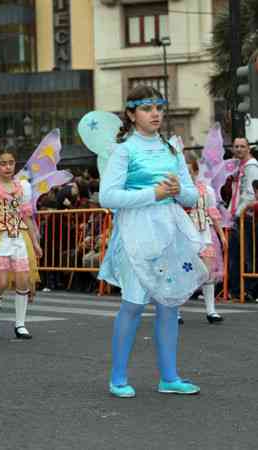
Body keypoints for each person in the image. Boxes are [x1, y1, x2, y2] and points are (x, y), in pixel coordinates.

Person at [98, 85, 207, 398]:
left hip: (170, 231)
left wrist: (177, 191)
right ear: (132, 115)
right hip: (135, 231)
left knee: (169, 304)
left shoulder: (171, 148)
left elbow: (190, 195)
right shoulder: (124, 150)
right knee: (133, 303)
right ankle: (118, 379)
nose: (155, 114)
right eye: (147, 108)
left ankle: (169, 378)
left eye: (159, 107)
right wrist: (153, 194)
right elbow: (108, 196)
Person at [0, 148, 42, 339]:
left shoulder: (23, 187)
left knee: (23, 281)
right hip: (0, 239)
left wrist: (35, 242)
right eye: (3, 163)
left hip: (20, 238)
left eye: (11, 163)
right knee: (2, 282)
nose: (8, 167)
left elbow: (27, 217)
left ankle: (20, 324)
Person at [185, 157, 226, 323]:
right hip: (183, 237)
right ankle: (175, 311)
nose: (186, 174)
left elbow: (213, 212)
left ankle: (211, 311)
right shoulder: (176, 191)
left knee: (208, 273)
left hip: (203, 235)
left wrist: (221, 235)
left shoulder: (206, 190)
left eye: (189, 171)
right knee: (182, 273)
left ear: (196, 172)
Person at [228, 137, 258, 301]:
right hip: (237, 217)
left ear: (248, 148)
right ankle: (238, 290)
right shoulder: (239, 166)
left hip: (245, 218)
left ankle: (248, 290)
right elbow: (236, 194)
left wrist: (237, 214)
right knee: (236, 255)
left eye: (242, 146)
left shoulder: (251, 166)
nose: (239, 149)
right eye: (236, 146)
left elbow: (250, 194)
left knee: (246, 255)